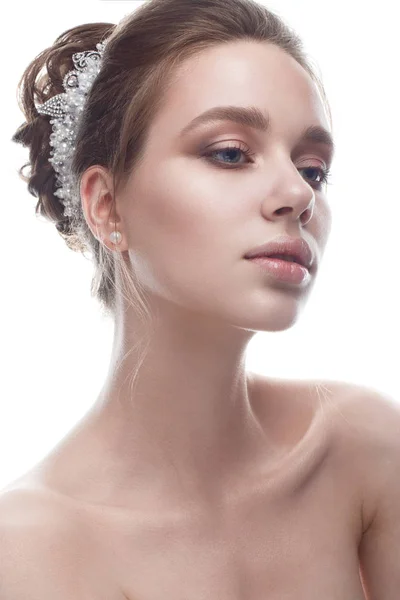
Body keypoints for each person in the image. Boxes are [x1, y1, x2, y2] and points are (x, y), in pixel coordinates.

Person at [2, 0, 399, 597]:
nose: (296, 192)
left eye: (313, 168)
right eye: (231, 153)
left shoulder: (362, 448)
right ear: (106, 205)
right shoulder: (29, 552)